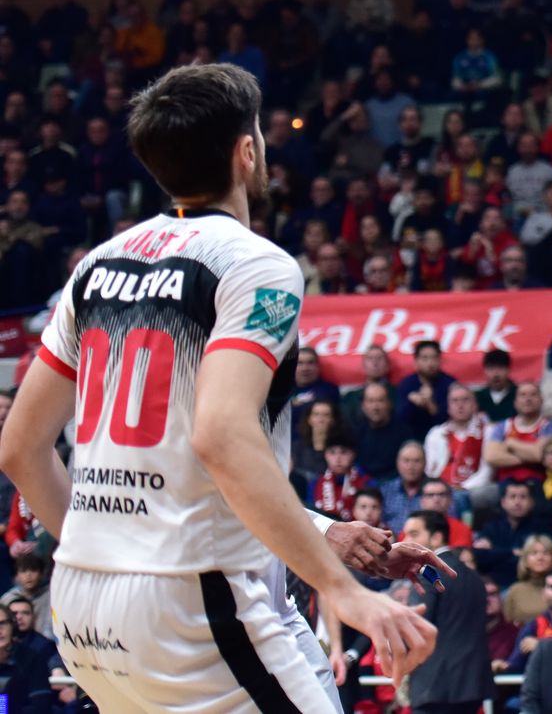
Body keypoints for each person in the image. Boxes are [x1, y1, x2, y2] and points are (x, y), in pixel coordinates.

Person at [0, 63, 434, 711]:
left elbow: (19, 450)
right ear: (248, 150)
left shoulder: (97, 266)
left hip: (83, 605)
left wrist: (109, 557)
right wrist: (338, 586)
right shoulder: (255, 263)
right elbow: (222, 436)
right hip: (190, 600)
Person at [403, 510, 495, 714]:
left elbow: (417, 628)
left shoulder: (428, 574)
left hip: (434, 684)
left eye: (414, 534)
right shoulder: (473, 576)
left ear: (436, 537)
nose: (406, 540)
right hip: (471, 684)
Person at [485, 380, 552, 484]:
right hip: (504, 485)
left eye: (533, 394)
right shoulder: (503, 426)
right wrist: (529, 456)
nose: (528, 399)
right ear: (515, 402)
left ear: (541, 400)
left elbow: (539, 454)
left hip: (537, 483)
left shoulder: (549, 426)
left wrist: (510, 443)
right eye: (523, 395)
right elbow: (491, 457)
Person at [397, 339, 456, 440]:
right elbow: (399, 419)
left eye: (434, 358)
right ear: (416, 361)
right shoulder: (406, 384)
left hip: (444, 439)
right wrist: (412, 403)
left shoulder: (450, 384)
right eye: (425, 358)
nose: (430, 363)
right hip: (413, 440)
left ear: (440, 360)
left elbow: (451, 420)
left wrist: (429, 404)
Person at [475, 348, 517, 422]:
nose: (496, 374)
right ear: (484, 371)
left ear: (508, 370)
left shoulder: (518, 395)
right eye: (491, 369)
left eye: (501, 368)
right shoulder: (478, 397)